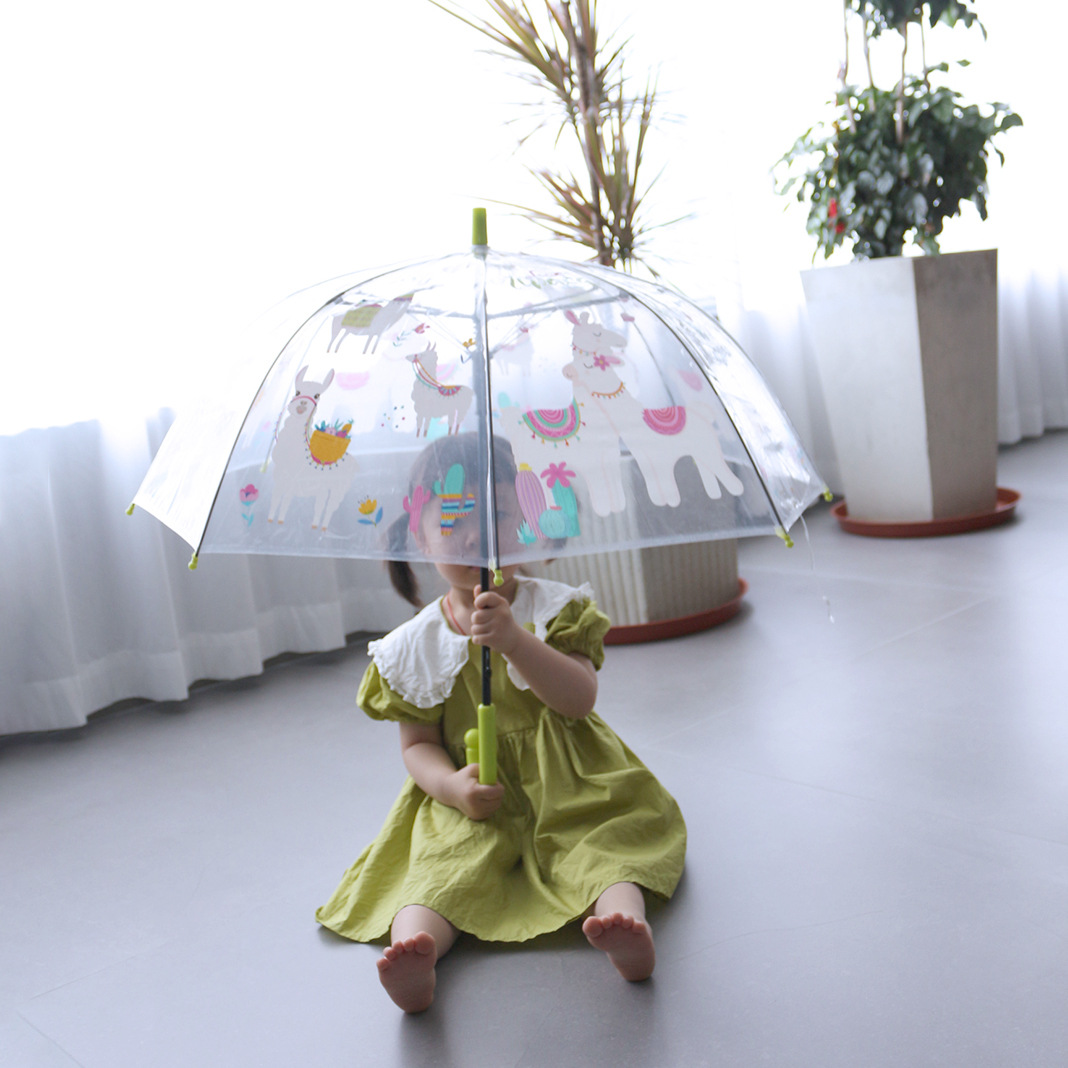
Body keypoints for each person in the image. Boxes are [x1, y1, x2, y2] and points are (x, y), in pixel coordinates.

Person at [315, 433, 686, 1012]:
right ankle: (415, 951)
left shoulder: (556, 609)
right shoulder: (413, 645)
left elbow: (579, 699)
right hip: (473, 791)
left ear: (530, 524)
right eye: (453, 518)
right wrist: (449, 787)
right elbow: (416, 746)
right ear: (420, 535)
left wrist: (515, 641)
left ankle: (622, 924)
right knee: (441, 866)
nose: (475, 536)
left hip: (571, 783)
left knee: (603, 844)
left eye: (499, 517)